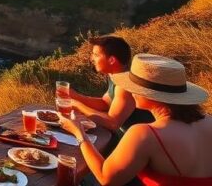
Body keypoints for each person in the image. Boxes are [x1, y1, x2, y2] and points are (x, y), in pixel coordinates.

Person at [59, 54, 211, 186]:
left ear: (150, 95)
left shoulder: (146, 134)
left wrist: (79, 133)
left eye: (134, 87)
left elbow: (106, 178)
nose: (129, 91)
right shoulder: (208, 121)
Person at [70, 36, 154, 135]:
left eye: (96, 55)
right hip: (126, 135)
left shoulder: (125, 85)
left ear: (111, 60)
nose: (92, 58)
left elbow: (113, 123)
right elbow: (105, 103)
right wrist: (76, 96)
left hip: (139, 141)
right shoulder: (115, 75)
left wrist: (78, 105)